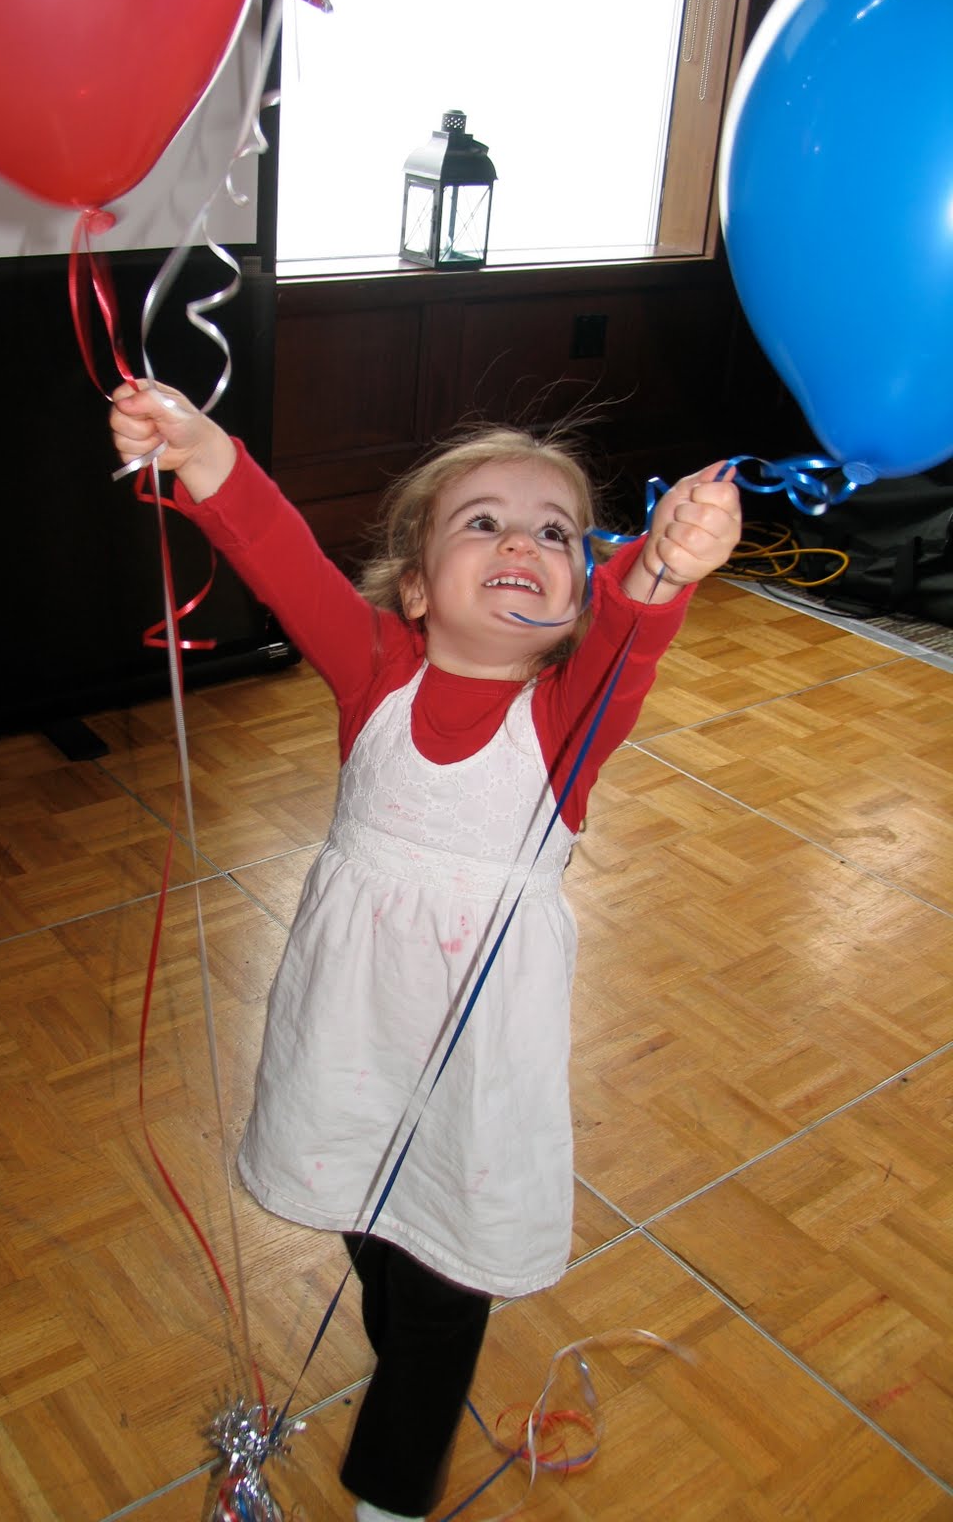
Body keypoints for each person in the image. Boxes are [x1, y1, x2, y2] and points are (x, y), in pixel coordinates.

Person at [110, 381, 741, 1522]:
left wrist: (661, 563)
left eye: (555, 531)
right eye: (483, 522)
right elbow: (281, 554)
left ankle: (392, 1491)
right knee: (379, 1240)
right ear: (414, 587)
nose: (522, 543)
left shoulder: (569, 720)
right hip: (354, 1033)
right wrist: (199, 449)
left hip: (480, 1066)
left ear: (577, 593)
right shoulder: (377, 674)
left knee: (447, 1285)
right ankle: (408, 1370)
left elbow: (631, 632)